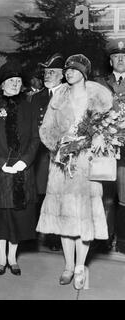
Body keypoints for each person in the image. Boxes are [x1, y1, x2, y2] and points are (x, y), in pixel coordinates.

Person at [36, 54, 112, 290]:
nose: (68, 72)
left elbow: (114, 123)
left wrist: (101, 135)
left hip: (87, 165)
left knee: (84, 220)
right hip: (62, 165)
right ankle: (68, 266)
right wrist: (59, 146)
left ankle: (80, 267)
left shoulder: (99, 96)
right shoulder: (59, 96)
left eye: (74, 69)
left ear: (84, 73)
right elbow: (46, 128)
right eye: (67, 69)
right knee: (64, 219)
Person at [0, 60, 39, 276]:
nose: (15, 84)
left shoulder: (28, 106)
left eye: (18, 81)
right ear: (2, 84)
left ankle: (13, 257)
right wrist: (1, 163)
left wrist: (25, 161)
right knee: (0, 218)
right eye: (11, 81)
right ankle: (0, 257)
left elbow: (35, 138)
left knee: (17, 218)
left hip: (22, 172)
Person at [31, 53, 65, 251]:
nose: (47, 75)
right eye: (45, 72)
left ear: (62, 75)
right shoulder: (36, 98)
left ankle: (54, 238)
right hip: (39, 156)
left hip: (61, 155)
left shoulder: (69, 96)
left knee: (58, 196)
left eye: (52, 72)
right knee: (38, 194)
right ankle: (35, 234)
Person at [95, 38, 125, 254]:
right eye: (116, 56)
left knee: (124, 197)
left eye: (124, 56)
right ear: (110, 60)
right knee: (104, 196)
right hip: (105, 150)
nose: (121, 59)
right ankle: (103, 239)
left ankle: (122, 241)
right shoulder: (100, 83)